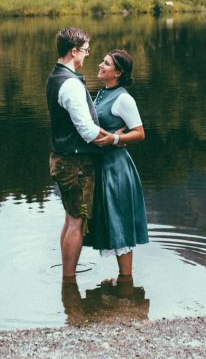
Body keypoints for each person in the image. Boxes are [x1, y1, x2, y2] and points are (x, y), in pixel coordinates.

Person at [46, 27, 115, 283]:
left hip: (61, 158)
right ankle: (69, 280)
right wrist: (112, 140)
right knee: (76, 223)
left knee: (69, 219)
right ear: (73, 51)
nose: (87, 56)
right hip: (75, 165)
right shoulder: (71, 85)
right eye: (85, 51)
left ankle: (68, 285)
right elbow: (86, 130)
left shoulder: (54, 77)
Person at [84, 49, 149, 283]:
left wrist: (115, 139)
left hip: (117, 169)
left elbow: (140, 133)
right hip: (102, 167)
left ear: (118, 72)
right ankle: (124, 283)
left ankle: (126, 284)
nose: (100, 65)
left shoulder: (124, 98)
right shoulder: (101, 93)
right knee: (110, 221)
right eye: (103, 61)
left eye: (106, 63)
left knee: (119, 222)